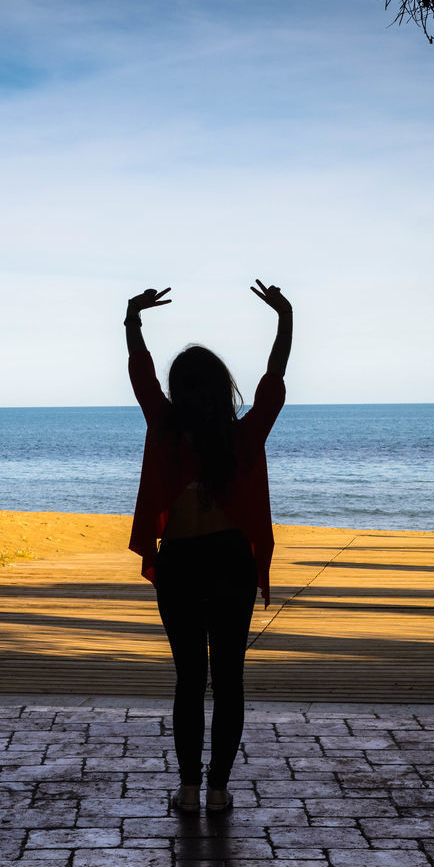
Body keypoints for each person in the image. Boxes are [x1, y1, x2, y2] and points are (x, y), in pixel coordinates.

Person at [125, 280, 292, 813]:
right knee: (229, 679)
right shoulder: (243, 437)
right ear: (222, 389)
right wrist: (285, 319)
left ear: (180, 389)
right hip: (228, 562)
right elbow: (273, 381)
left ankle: (190, 788)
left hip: (180, 563)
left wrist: (132, 319)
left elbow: (141, 377)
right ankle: (217, 790)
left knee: (190, 678)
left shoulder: (166, 429)